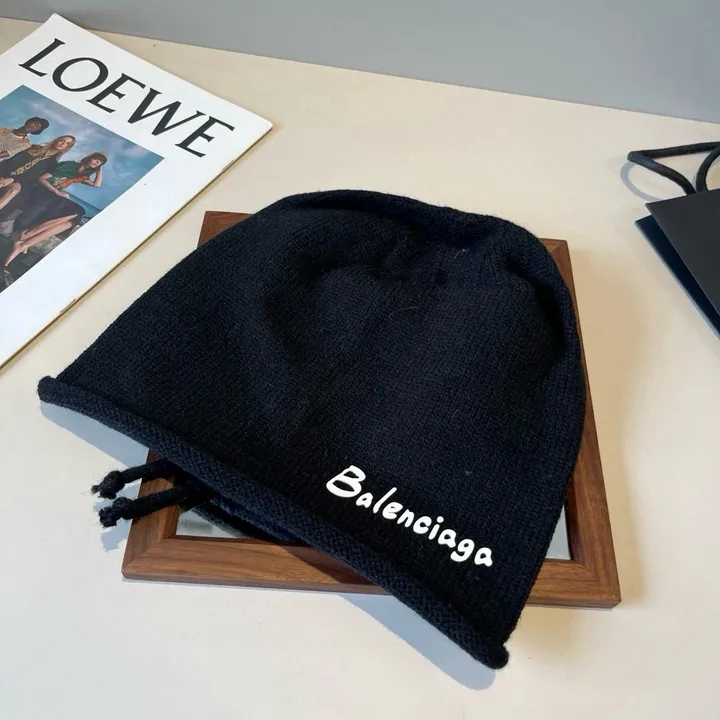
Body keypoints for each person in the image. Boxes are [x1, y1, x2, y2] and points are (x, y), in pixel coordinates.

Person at [3, 151, 106, 267]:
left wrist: (100, 169)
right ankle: (25, 236)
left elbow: (96, 185)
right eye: (97, 159)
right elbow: (42, 179)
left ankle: (24, 244)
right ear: (90, 157)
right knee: (73, 210)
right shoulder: (69, 165)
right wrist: (57, 191)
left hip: (52, 195)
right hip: (40, 189)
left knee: (78, 213)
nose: (97, 162)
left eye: (100, 162)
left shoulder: (81, 175)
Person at [0, 135, 76, 215]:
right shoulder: (34, 148)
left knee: (15, 190)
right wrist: (5, 176)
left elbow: (32, 177)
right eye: (62, 140)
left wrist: (13, 179)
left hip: (18, 180)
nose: (63, 144)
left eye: (67, 143)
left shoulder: (53, 164)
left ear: (67, 148)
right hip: (5, 171)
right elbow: (12, 161)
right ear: (57, 140)